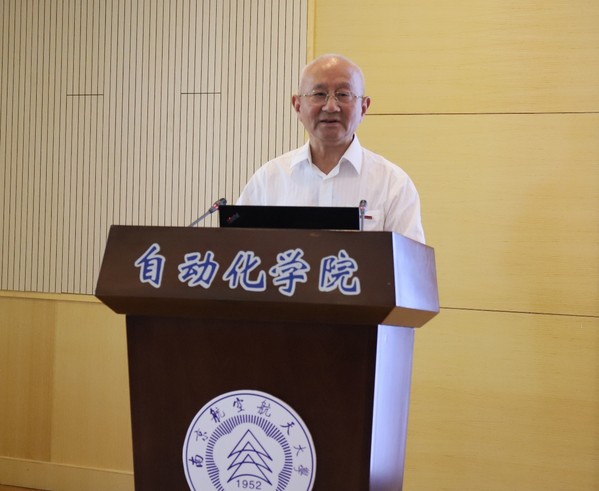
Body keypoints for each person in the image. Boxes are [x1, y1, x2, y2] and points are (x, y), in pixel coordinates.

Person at [237, 53, 425, 243]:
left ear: (363, 107)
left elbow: (409, 261)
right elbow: (237, 251)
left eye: (343, 95)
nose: (331, 106)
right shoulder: (268, 180)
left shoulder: (393, 184)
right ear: (297, 106)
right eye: (319, 94)